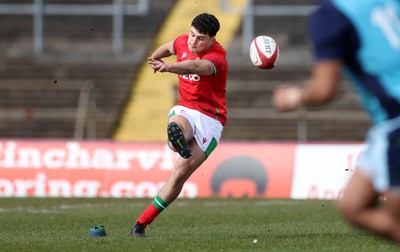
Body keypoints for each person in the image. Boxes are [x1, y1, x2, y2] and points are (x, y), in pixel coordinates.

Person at [272, 0, 400, 243]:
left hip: (396, 120)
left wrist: (291, 96)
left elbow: (324, 90)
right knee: (354, 205)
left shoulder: (331, 17)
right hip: (387, 127)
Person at [130, 13, 228, 237]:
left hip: (211, 120)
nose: (193, 41)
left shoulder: (217, 58)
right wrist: (154, 59)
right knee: (178, 124)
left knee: (178, 175)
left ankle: (140, 224)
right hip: (185, 108)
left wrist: (169, 68)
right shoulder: (183, 41)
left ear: (212, 39)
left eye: (201, 38)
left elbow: (196, 66)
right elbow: (168, 47)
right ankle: (177, 141)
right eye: (192, 34)